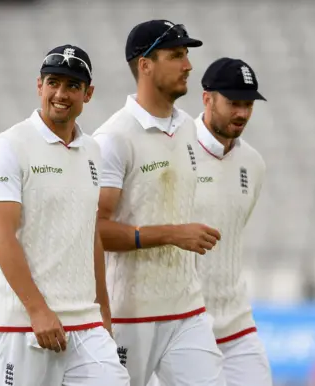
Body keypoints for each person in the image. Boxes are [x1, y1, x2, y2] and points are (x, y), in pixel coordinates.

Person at [0, 44, 130, 386]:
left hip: (84, 321)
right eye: (54, 83)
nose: (61, 94)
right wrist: (37, 310)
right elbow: (2, 235)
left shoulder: (93, 150)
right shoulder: (10, 145)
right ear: (40, 85)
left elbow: (88, 232)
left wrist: (102, 309)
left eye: (72, 86)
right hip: (21, 323)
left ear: (88, 93)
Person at [92, 20, 224, 386]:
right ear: (145, 65)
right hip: (130, 315)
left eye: (187, 55)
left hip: (188, 311)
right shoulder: (114, 138)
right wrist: (171, 234)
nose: (188, 65)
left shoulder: (187, 129)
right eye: (176, 55)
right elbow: (95, 230)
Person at [193, 58, 271, 386]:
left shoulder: (253, 163)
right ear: (207, 98)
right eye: (233, 103)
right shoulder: (175, 149)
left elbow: (233, 231)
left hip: (237, 323)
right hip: (183, 327)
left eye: (248, 104)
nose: (241, 113)